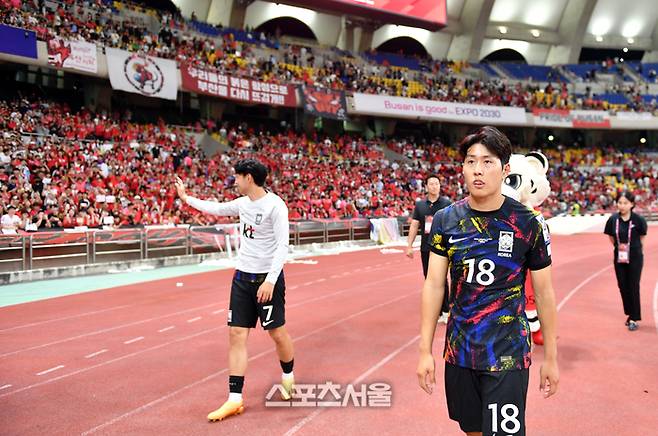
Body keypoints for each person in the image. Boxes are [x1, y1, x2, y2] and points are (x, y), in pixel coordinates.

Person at [416, 126, 559, 436]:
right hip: (460, 351)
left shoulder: (529, 223)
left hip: (507, 353)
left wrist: (551, 358)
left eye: (488, 161)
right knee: (473, 431)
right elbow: (434, 285)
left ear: (505, 169)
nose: (478, 170)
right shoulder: (446, 220)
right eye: (471, 161)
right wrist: (424, 350)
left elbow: (545, 293)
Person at [175, 158, 295, 422]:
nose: (235, 181)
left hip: (267, 280)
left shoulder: (276, 206)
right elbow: (216, 209)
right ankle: (234, 399)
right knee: (237, 334)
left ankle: (288, 377)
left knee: (277, 333)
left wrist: (271, 281)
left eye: (237, 177)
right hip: (242, 277)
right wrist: (186, 198)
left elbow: (282, 246)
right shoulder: (242, 204)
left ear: (249, 178)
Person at [406, 175, 451, 323]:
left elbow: (453, 224)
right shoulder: (420, 205)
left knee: (442, 279)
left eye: (436, 183)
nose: (434, 186)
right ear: (426, 186)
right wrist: (409, 245)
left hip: (442, 248)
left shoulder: (446, 203)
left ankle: (446, 309)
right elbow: (414, 225)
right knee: (429, 279)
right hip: (426, 247)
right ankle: (436, 311)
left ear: (440, 186)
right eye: (431, 184)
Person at [604, 191, 647, 331]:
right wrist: (620, 248)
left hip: (635, 257)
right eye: (620, 202)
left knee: (633, 286)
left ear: (632, 204)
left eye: (625, 203)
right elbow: (611, 238)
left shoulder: (638, 220)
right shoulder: (613, 220)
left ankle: (634, 318)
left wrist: (634, 249)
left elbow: (642, 237)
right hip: (619, 257)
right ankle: (630, 313)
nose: (622, 206)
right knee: (622, 286)